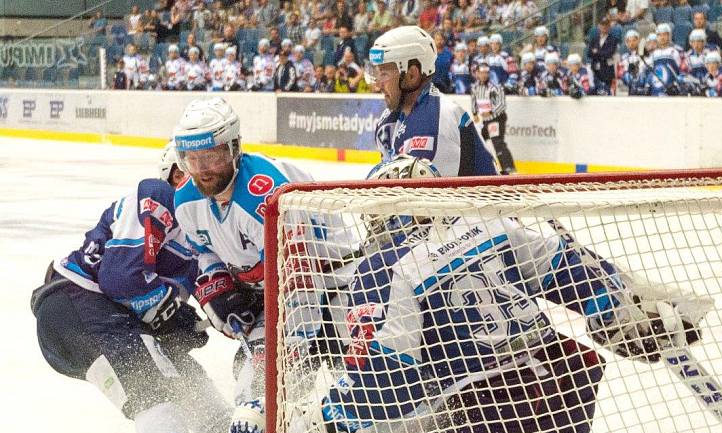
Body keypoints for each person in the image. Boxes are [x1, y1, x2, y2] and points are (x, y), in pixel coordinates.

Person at [241, 155, 685, 433]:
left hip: (491, 413)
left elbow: (392, 384)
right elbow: (572, 268)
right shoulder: (493, 226)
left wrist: (325, 416)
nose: (375, 228)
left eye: (377, 214)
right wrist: (612, 312)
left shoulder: (387, 270)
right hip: (569, 392)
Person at [30, 144, 233, 433]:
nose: (198, 179)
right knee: (151, 384)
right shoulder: (155, 197)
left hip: (99, 318)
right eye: (189, 169)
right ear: (172, 173)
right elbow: (120, 279)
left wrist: (182, 320)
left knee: (188, 382)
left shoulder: (204, 234)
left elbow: (167, 301)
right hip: (75, 304)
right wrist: (172, 314)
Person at [172, 97, 357, 404]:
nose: (203, 170)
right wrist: (218, 289)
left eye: (212, 157)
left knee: (369, 395)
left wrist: (291, 345)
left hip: (335, 289)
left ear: (233, 149)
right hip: (274, 295)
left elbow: (299, 278)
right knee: (253, 401)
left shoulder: (266, 199)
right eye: (193, 159)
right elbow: (204, 252)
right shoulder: (186, 202)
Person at [367, 26, 497, 177]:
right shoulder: (389, 120)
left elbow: (424, 198)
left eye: (384, 73)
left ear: (411, 75)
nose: (378, 85)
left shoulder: (436, 121)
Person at [470, 64, 516, 174]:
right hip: (484, 121)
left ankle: (508, 168)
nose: (484, 75)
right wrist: (475, 113)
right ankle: (479, 166)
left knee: (497, 142)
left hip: (496, 119)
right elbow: (474, 101)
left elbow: (502, 105)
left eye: (486, 73)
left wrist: (490, 112)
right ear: (477, 74)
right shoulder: (475, 87)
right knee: (477, 141)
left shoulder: (495, 87)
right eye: (482, 73)